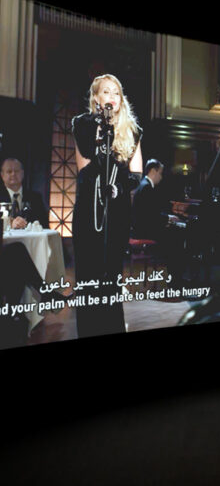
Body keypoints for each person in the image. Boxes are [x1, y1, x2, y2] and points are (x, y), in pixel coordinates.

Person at [70, 74, 143, 338]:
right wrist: (100, 137)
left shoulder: (133, 131)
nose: (111, 97)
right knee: (89, 278)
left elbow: (137, 175)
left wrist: (119, 186)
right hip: (88, 211)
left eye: (115, 93)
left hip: (117, 213)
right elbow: (83, 168)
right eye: (105, 92)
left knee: (111, 278)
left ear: (121, 100)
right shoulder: (83, 124)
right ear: (96, 98)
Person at [2, 157, 48, 229]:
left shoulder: (35, 197)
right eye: (9, 171)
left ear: (22, 173)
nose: (13, 174)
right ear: (2, 175)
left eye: (16, 171)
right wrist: (9, 224)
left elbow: (44, 224)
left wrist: (25, 224)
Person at [131, 158, 166, 240]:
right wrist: (168, 219)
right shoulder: (146, 187)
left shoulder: (143, 184)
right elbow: (151, 215)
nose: (161, 177)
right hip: (143, 232)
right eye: (160, 173)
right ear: (153, 171)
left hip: (139, 229)